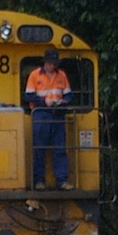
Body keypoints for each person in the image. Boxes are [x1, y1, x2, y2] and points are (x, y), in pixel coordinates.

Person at [25, 48, 73, 190]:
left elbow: (69, 95)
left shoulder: (62, 75)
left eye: (55, 63)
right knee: (39, 148)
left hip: (58, 114)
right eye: (51, 63)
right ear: (45, 63)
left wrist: (64, 101)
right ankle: (39, 181)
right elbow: (28, 96)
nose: (53, 66)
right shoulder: (34, 75)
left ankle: (62, 181)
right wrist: (43, 101)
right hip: (41, 114)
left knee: (60, 148)